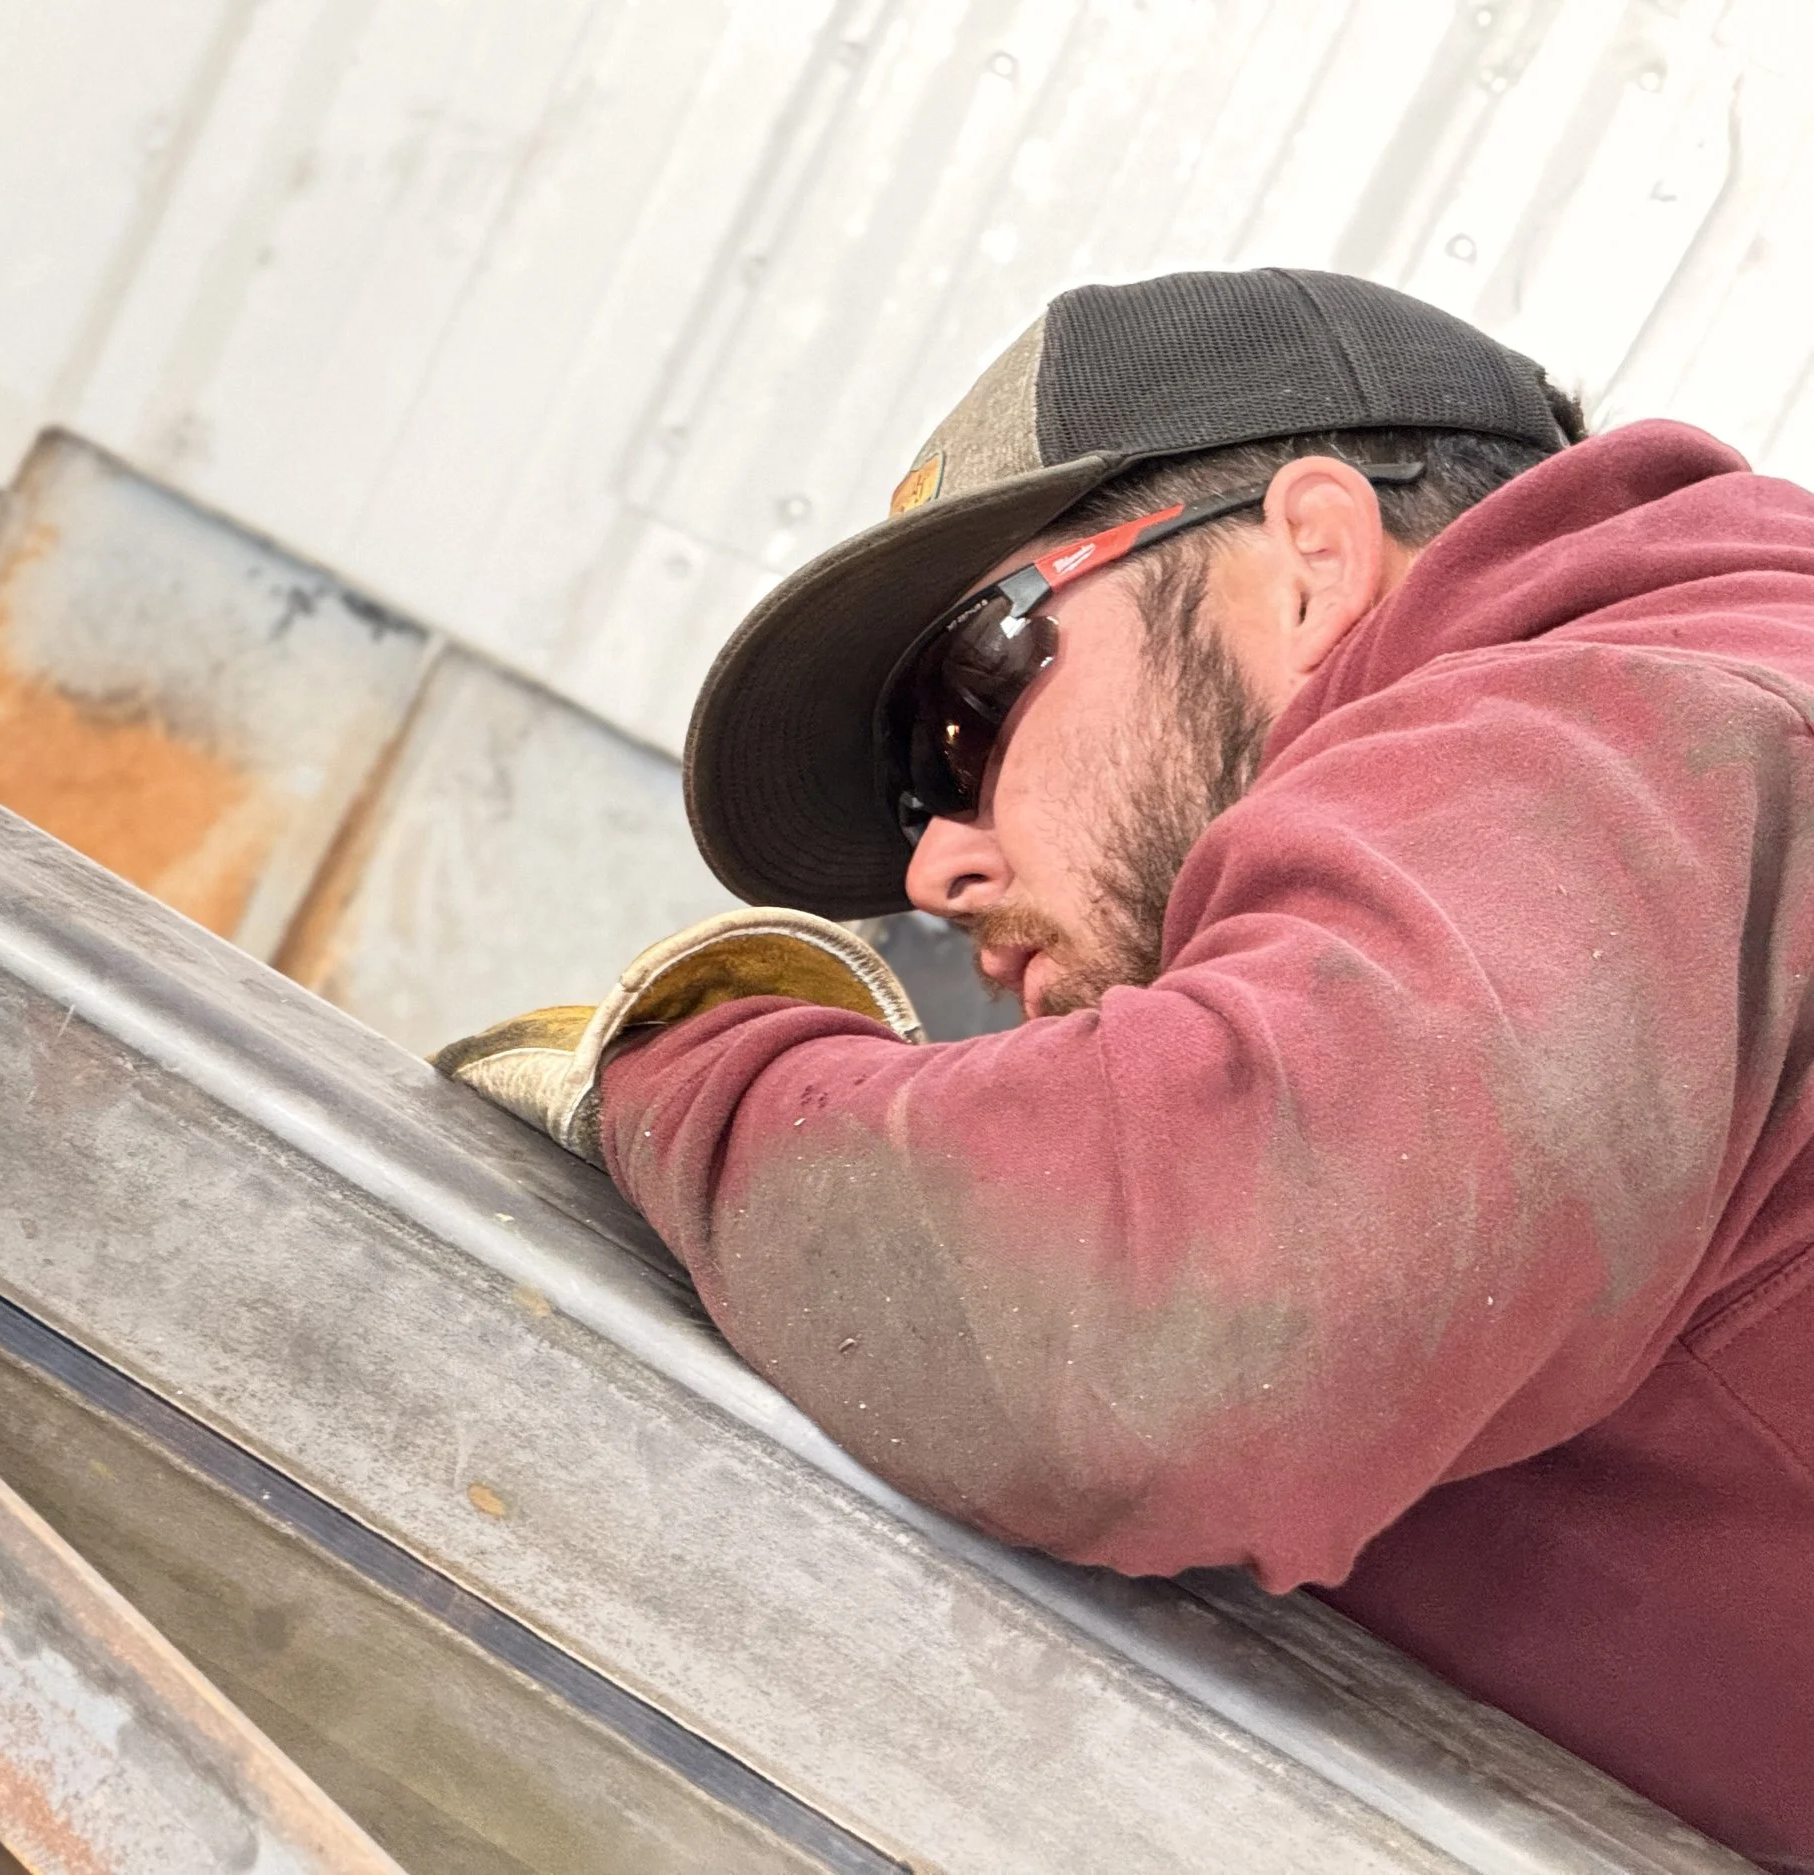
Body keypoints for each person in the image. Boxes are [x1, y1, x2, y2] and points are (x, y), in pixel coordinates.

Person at [435, 269, 1812, 1869]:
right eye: (907, 808)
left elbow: (1176, 1320)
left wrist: (690, 1054)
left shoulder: (1638, 718)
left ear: (1310, 562)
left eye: (968, 709)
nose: (936, 868)